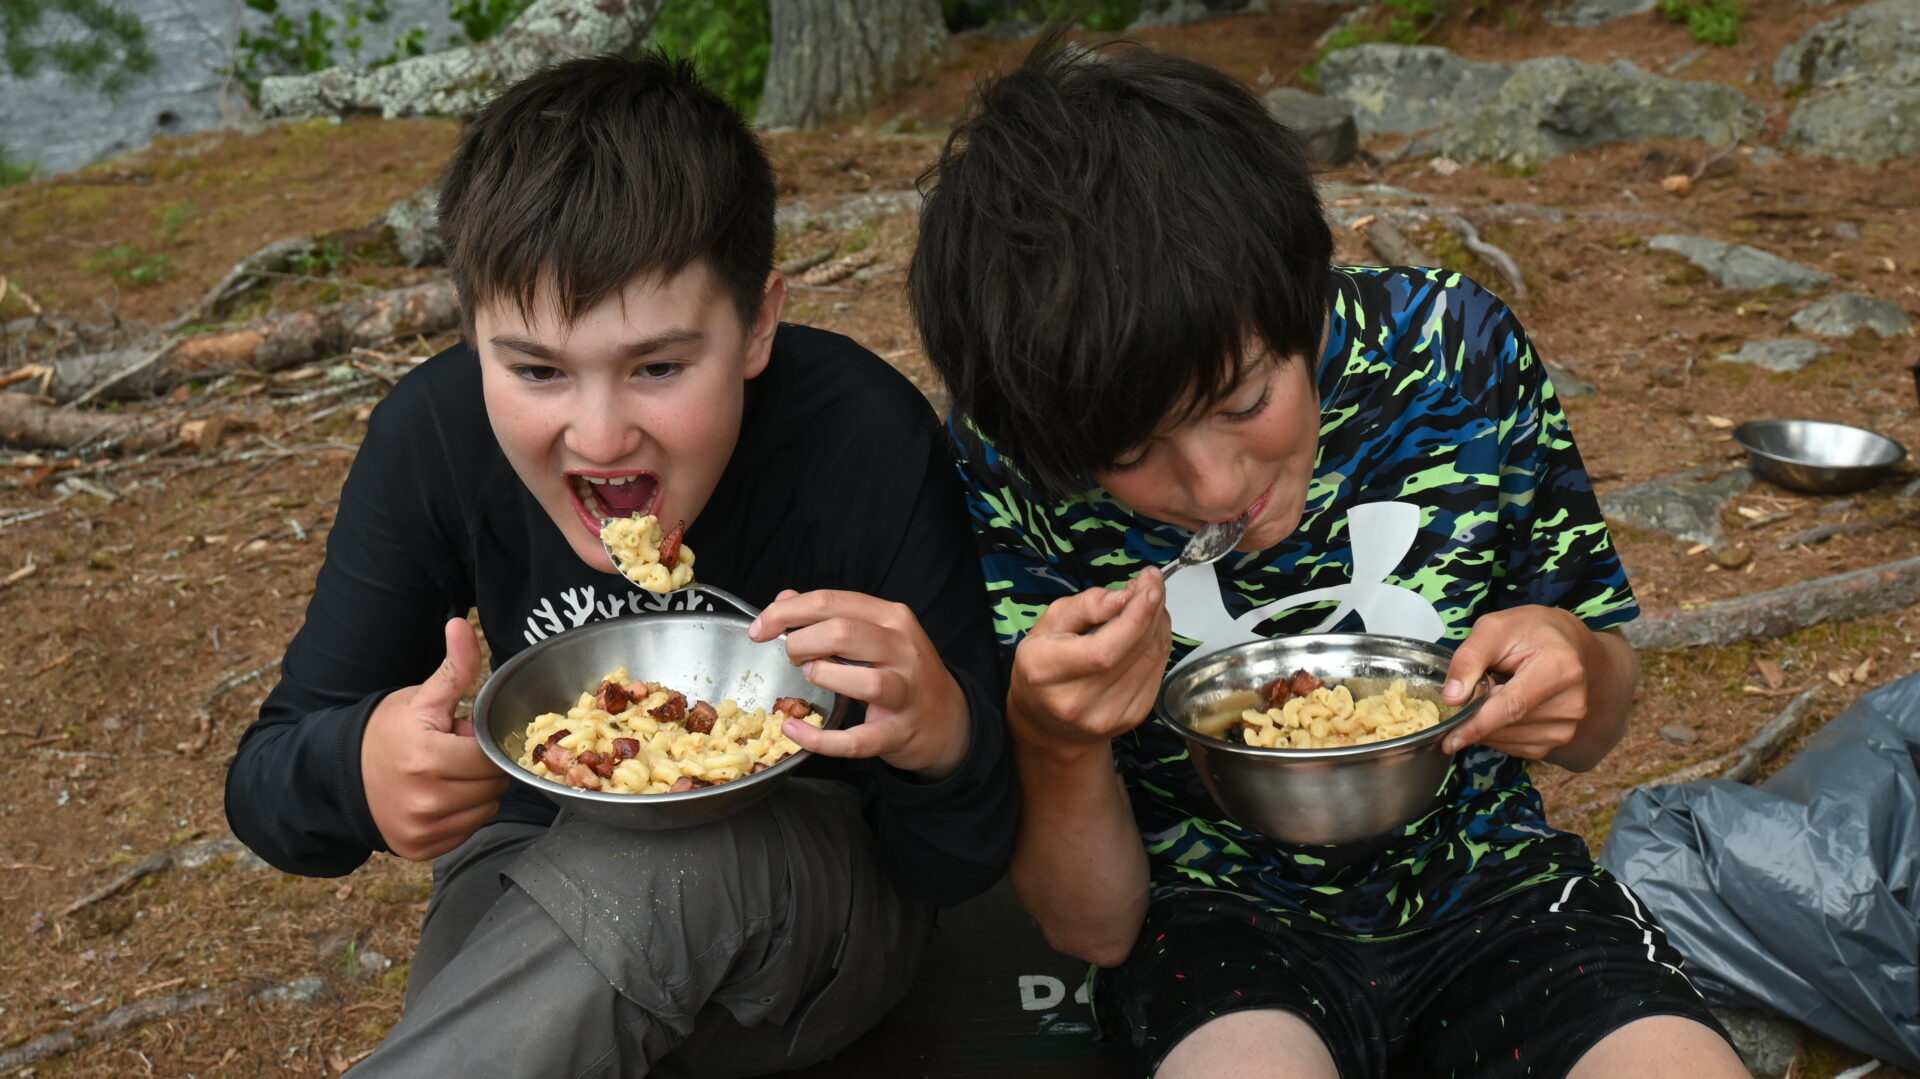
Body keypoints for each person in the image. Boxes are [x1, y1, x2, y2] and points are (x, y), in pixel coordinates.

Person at [907, 38, 1746, 1079]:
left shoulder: (1453, 354)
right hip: (1207, 924)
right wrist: (1055, 736)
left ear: (1301, 299)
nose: (1214, 486)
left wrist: (1579, 658)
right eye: (1130, 455)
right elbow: (1097, 927)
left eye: (1246, 401)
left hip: (1501, 892)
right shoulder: (1011, 465)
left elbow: (1593, 726)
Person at [224, 53, 1016, 1076]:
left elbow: (956, 863)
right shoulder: (432, 440)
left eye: (657, 367)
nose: (599, 437)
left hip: (817, 908)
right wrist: (359, 764)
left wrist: (942, 738)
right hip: (531, 871)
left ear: (759, 322)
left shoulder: (859, 438)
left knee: (667, 865)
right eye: (537, 370)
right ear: (473, 338)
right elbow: (267, 786)